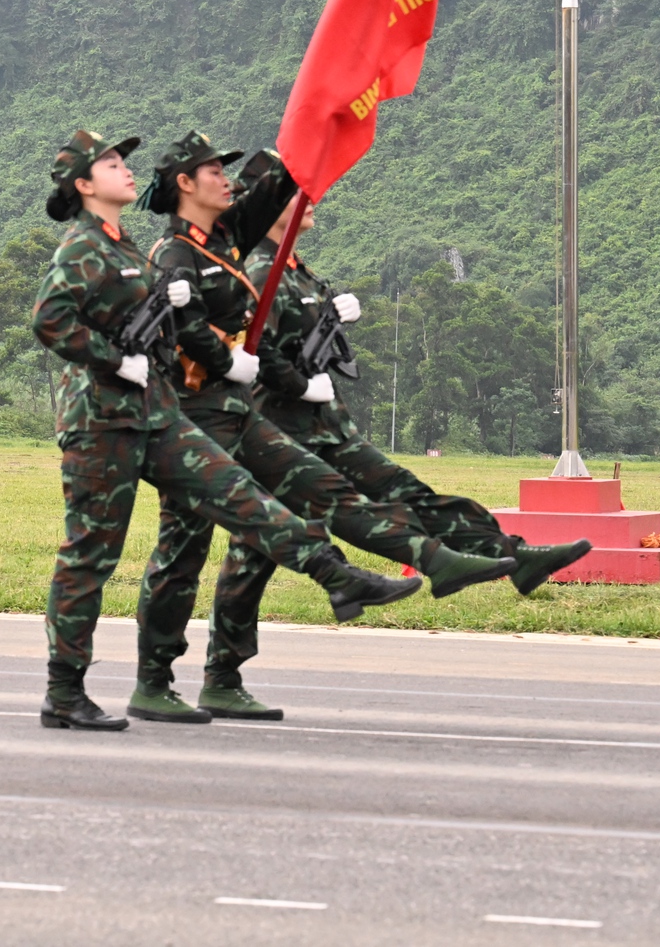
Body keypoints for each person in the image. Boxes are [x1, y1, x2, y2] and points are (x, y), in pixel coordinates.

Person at [30, 130, 418, 731]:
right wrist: (115, 358)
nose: (123, 170)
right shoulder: (81, 247)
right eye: (110, 163)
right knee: (90, 556)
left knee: (237, 494)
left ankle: (336, 577)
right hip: (99, 420)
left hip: (156, 412)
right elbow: (50, 321)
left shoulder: (124, 243)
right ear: (84, 185)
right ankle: (64, 691)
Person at [130, 132, 517, 723]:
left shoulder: (225, 239)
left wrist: (318, 125)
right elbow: (175, 328)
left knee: (321, 488)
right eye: (213, 171)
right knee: (183, 553)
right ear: (185, 183)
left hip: (236, 411)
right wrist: (227, 357)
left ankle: (435, 560)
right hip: (190, 419)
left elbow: (285, 183)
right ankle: (154, 680)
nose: (226, 179)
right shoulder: (173, 254)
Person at [208, 154, 596, 672]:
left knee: (404, 489)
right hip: (283, 432)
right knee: (253, 553)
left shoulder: (296, 269)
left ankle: (513, 554)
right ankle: (222, 670)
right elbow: (253, 353)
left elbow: (306, 344)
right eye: (295, 192)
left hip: (326, 428)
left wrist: (330, 320)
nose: (310, 199)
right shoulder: (259, 268)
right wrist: (302, 385)